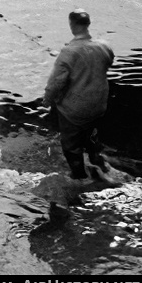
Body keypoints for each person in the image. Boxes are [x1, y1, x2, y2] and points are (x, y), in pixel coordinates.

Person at [43, 9, 115, 180]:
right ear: (88, 24)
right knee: (91, 136)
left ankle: (79, 176)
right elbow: (108, 62)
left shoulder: (68, 52)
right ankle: (98, 163)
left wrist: (47, 100)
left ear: (72, 24)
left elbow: (56, 83)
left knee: (71, 145)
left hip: (75, 109)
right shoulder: (105, 47)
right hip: (98, 104)